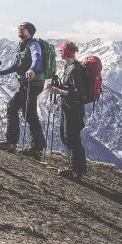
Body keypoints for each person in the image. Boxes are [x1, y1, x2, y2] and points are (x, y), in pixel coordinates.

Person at [0, 22, 46, 157]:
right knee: (30, 114)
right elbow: (16, 66)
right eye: (19, 28)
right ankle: (37, 147)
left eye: (23, 28)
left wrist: (32, 69)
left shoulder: (33, 44)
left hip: (32, 84)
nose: (20, 30)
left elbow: (37, 57)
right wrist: (0, 72)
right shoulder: (22, 46)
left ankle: (11, 143)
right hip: (31, 84)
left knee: (12, 107)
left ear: (30, 32)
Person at [46, 41, 88, 180]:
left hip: (74, 110)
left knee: (72, 138)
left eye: (61, 50)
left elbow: (78, 92)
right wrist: (58, 87)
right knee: (66, 137)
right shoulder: (68, 66)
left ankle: (76, 170)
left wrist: (59, 91)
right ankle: (75, 166)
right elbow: (69, 87)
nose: (60, 52)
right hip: (68, 108)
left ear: (66, 52)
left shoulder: (75, 69)